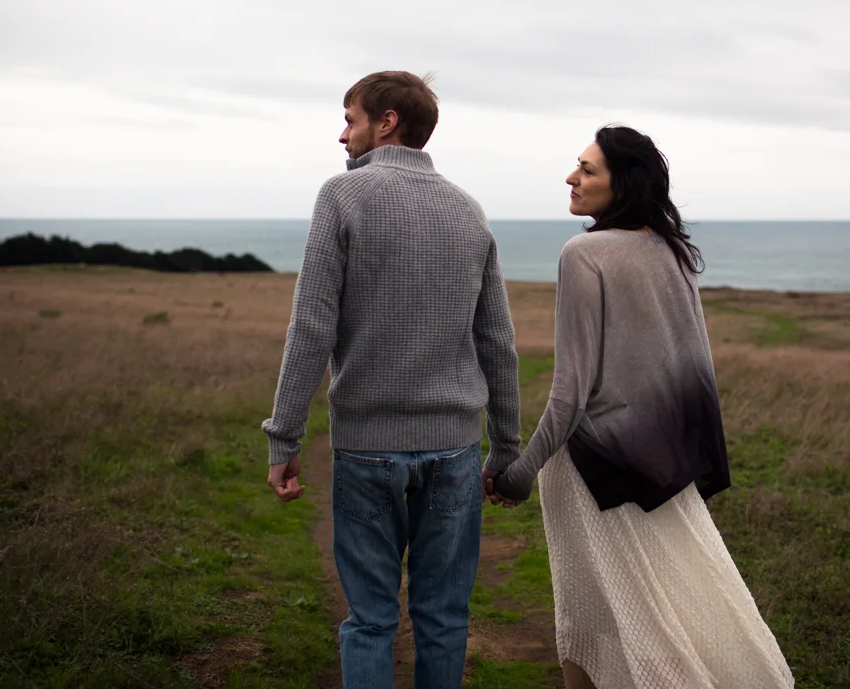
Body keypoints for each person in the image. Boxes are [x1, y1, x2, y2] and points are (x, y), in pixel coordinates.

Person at [490, 125, 793, 689]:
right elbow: (695, 371)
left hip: (593, 472)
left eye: (587, 170)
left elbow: (570, 391)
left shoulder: (584, 252)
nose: (571, 178)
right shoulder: (673, 250)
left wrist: (518, 474)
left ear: (621, 183)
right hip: (662, 466)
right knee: (674, 609)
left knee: (592, 621)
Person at [262, 71, 521, 689]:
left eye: (350, 118)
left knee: (372, 620)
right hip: (455, 452)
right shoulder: (468, 208)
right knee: (443, 617)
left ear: (387, 123)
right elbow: (498, 342)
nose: (342, 133)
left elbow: (312, 326)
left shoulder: (341, 197)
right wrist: (505, 449)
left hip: (366, 451)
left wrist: (284, 439)